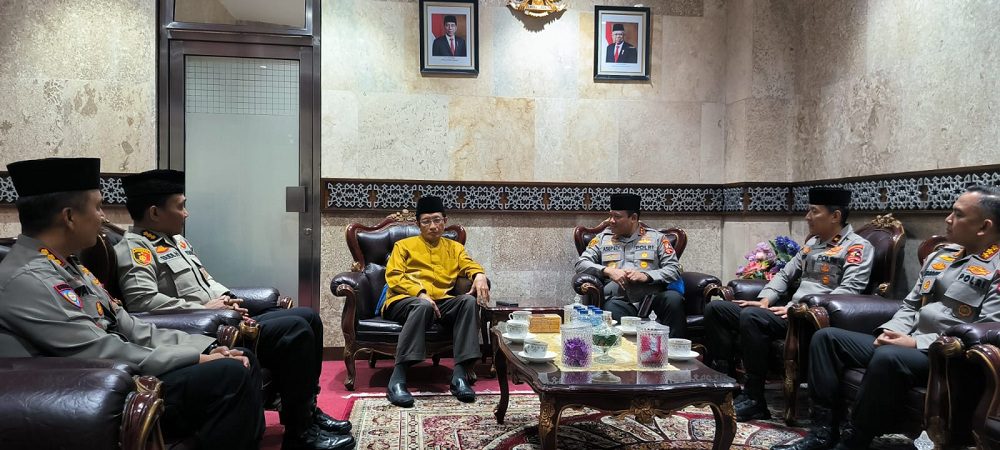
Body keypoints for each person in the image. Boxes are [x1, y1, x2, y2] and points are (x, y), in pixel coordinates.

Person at [0, 157, 264, 450]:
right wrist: (196, 359)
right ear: (69, 217)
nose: (103, 217)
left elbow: (131, 326)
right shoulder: (27, 278)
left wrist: (206, 347)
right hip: (84, 389)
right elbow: (98, 350)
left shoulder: (67, 265)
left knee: (239, 357)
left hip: (121, 372)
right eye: (98, 207)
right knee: (229, 375)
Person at [112, 169, 354, 450]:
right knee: (295, 330)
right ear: (155, 212)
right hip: (204, 329)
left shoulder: (176, 241)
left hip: (223, 317)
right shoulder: (136, 249)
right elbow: (143, 304)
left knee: (308, 316)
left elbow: (207, 281)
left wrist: (229, 298)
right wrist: (203, 308)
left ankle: (307, 411)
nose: (186, 213)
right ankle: (300, 432)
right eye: (180, 206)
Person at [773, 186, 1000, 450]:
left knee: (888, 356)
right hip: (907, 341)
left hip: (946, 357)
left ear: (984, 227)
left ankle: (855, 439)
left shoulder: (996, 268)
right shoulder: (941, 256)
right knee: (827, 339)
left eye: (958, 215)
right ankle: (823, 431)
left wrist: (915, 343)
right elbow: (910, 304)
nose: (948, 219)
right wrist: (890, 331)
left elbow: (987, 330)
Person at [703, 187, 874, 422]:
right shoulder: (813, 244)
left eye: (814, 211)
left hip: (812, 319)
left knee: (753, 317)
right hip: (788, 312)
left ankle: (755, 398)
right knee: (717, 309)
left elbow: (849, 292)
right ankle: (727, 385)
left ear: (835, 216)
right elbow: (785, 275)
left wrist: (800, 307)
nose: (807, 217)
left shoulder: (857, 248)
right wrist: (765, 299)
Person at [382, 195, 490, 408]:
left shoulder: (454, 248)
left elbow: (469, 265)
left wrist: (479, 275)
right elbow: (394, 276)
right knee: (423, 305)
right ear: (418, 224)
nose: (433, 226)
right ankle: (397, 378)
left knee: (468, 302)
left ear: (445, 220)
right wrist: (420, 293)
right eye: (426, 221)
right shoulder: (403, 246)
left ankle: (459, 376)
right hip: (403, 300)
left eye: (437, 220)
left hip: (440, 303)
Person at [575, 193, 687, 337]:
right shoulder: (602, 239)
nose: (611, 221)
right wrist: (608, 271)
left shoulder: (657, 239)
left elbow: (674, 269)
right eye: (610, 215)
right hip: (620, 300)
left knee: (673, 299)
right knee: (611, 307)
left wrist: (646, 276)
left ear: (633, 218)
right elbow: (581, 264)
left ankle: (674, 347)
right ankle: (628, 350)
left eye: (617, 217)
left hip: (652, 299)